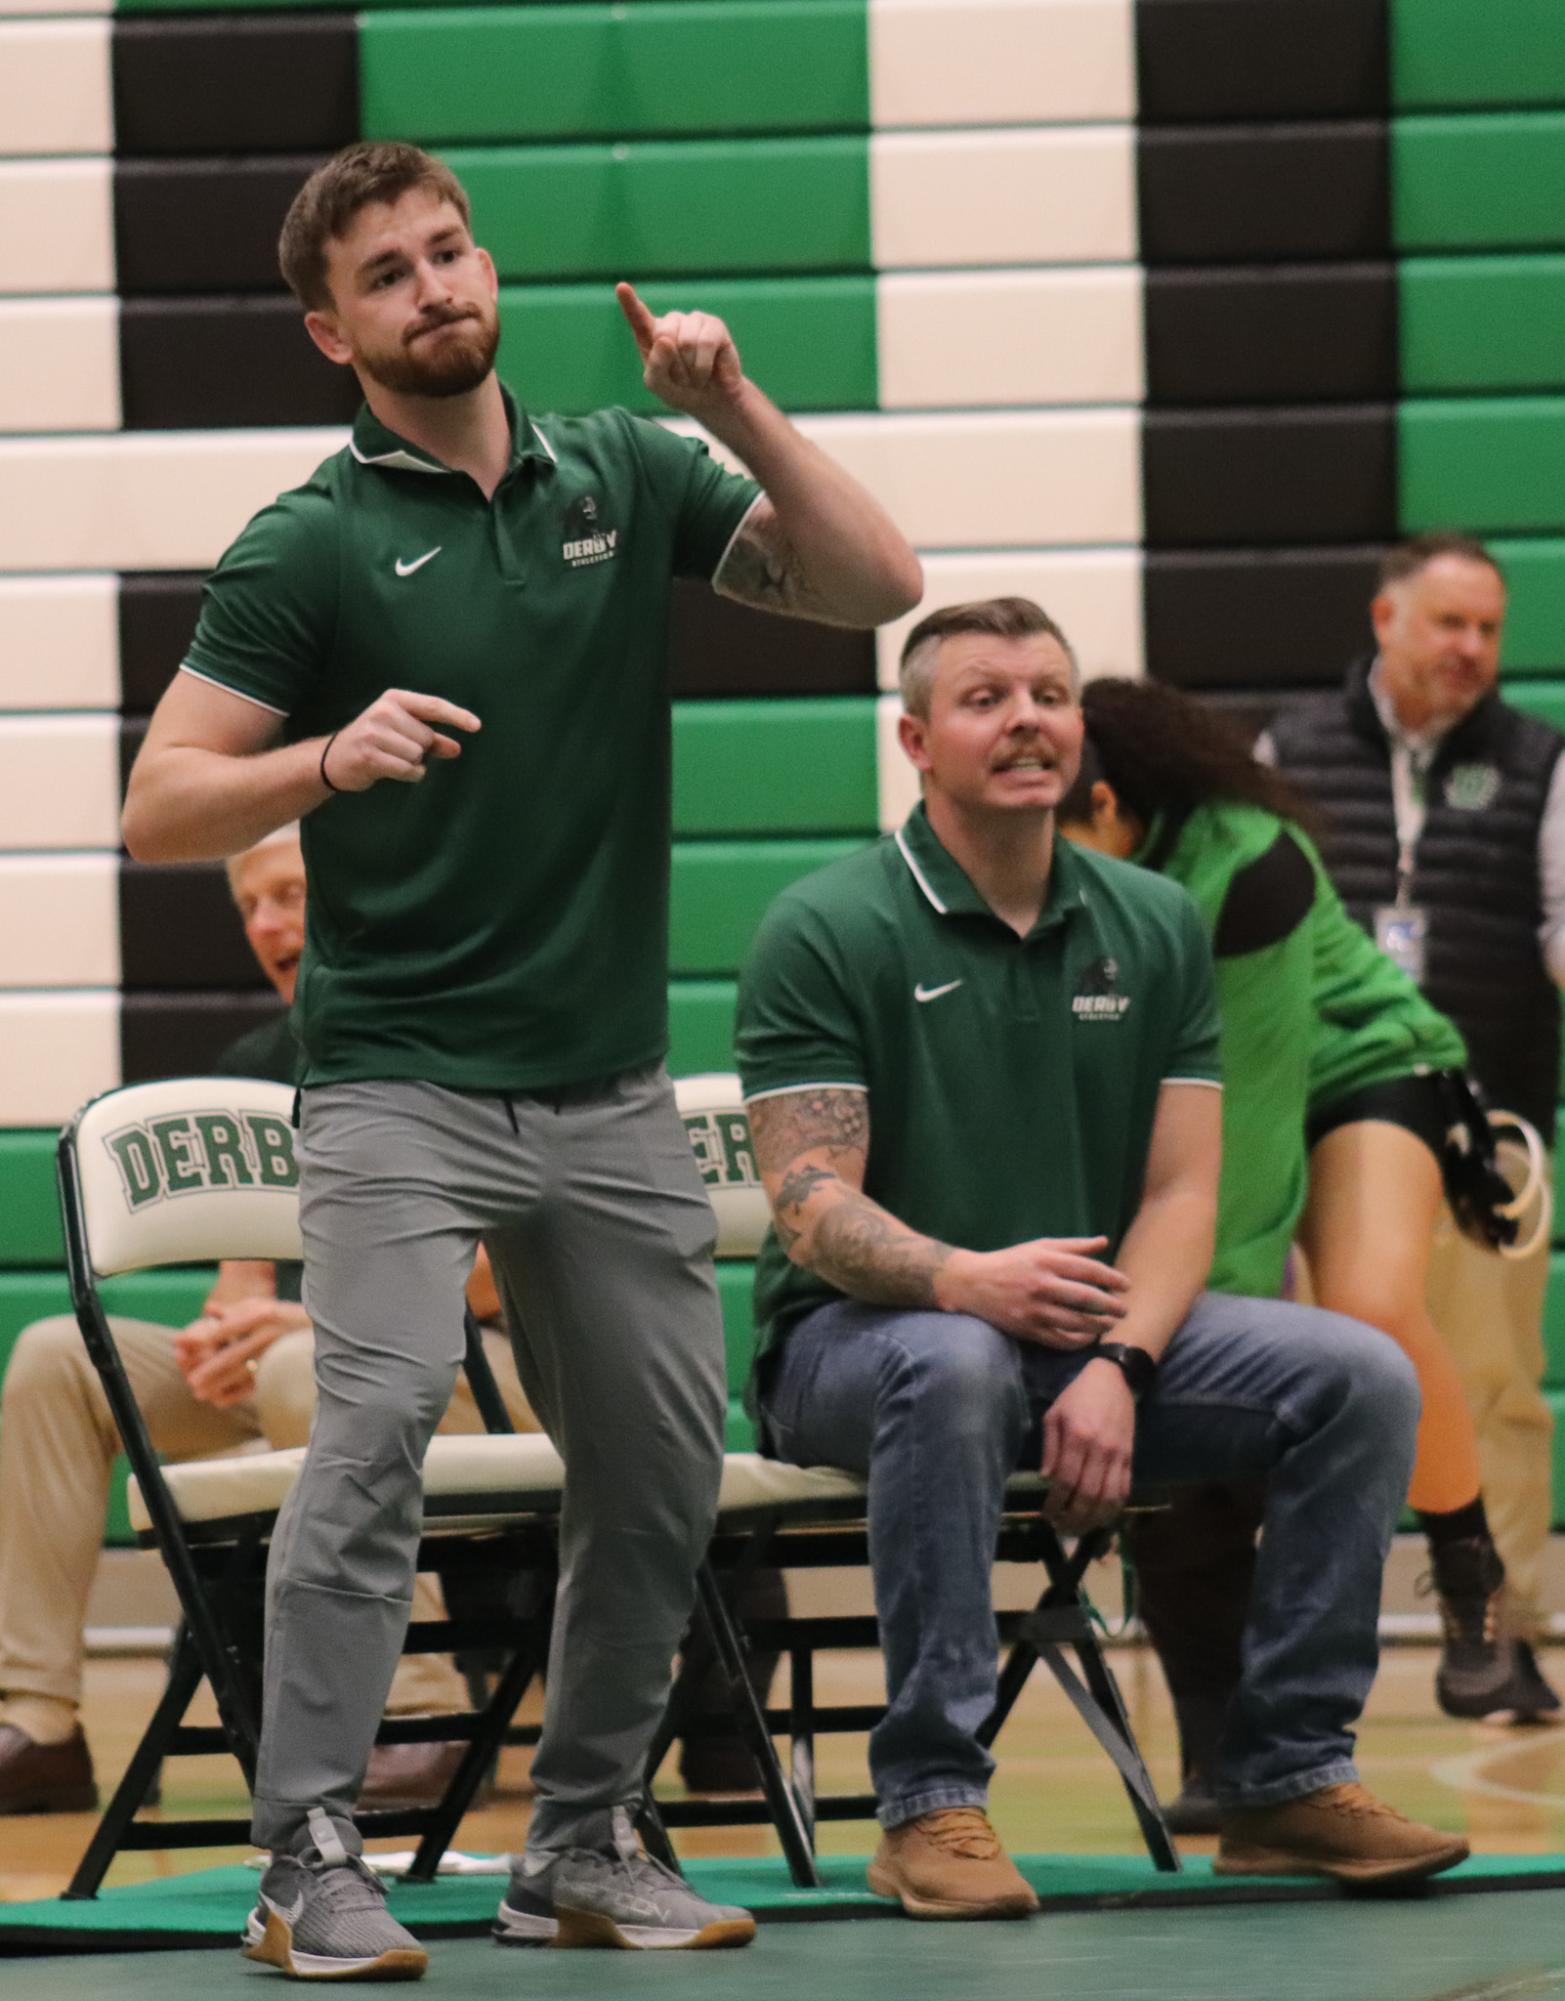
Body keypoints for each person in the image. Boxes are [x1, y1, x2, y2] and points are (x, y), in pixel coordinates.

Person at [120, 141, 921, 1977]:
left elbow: (878, 580)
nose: (436, 287)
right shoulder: (310, 542)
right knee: (380, 1421)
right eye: (389, 275)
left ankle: (577, 1839)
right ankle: (306, 1848)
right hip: (400, 1083)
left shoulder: (625, 470)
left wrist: (734, 403)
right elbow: (161, 803)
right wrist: (321, 759)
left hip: (611, 1088)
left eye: (451, 251)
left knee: (656, 1461)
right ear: (334, 330)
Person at [735, 595, 1469, 1921]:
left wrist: (1122, 1361)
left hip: (1085, 1338)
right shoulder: (825, 924)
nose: (1027, 718)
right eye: (985, 698)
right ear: (914, 737)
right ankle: (928, 1805)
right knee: (956, 1360)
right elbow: (805, 1205)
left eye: (1049, 693)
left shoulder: (1155, 920)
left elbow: (1186, 1188)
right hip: (853, 1346)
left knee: (1358, 1373)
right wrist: (963, 1277)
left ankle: (1282, 1775)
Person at [1056, 679, 1543, 1834]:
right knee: (1193, 1409)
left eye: (1060, 829)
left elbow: (1253, 1113)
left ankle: (1468, 1576)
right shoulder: (1095, 875)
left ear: (1113, 805)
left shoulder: (1251, 863)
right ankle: (1216, 1761)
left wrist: (1177, 1330)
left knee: (1368, 1302)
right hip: (1245, 1096)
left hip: (1363, 1066)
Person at [0, 826, 532, 1818]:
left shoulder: (473, 1029)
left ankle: (418, 1717)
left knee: (306, 1371)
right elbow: (243, 1280)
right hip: (315, 1369)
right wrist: (225, 1333)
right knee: (58, 1357)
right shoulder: (261, 1060)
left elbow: (516, 1270)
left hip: (487, 1378)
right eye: (248, 906)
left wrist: (303, 1328)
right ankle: (39, 1726)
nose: (265, 925)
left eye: (285, 895)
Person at [1265, 534, 1562, 1718]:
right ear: (1384, 620)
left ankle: (1503, 1636)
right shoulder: (1283, 751)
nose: (1472, 651)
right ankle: (1279, 1639)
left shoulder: (1539, 762)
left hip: (1485, 1129)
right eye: (1448, 624)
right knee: (1292, 1379)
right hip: (1318, 1126)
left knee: (1492, 1385)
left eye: (1488, 629)